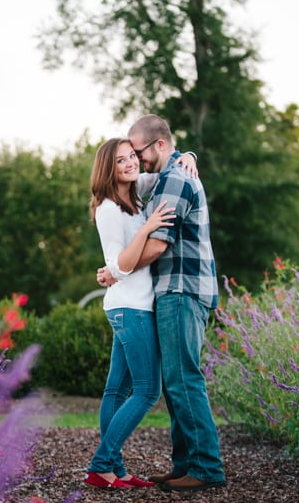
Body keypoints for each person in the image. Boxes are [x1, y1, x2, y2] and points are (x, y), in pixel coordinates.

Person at [97, 114, 226, 492]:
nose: (135, 159)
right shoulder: (165, 175)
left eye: (137, 151)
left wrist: (115, 271)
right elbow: (126, 181)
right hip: (175, 289)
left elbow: (156, 244)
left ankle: (206, 467)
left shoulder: (174, 177)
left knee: (182, 378)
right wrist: (189, 152)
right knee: (173, 382)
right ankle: (186, 463)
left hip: (181, 289)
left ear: (158, 146)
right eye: (127, 155)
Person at [83, 137, 196, 490]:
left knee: (116, 391)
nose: (131, 163)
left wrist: (189, 156)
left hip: (128, 304)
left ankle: (113, 469)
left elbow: (166, 165)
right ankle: (102, 464)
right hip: (130, 307)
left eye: (132, 156)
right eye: (121, 160)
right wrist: (147, 229)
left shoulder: (133, 197)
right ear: (108, 168)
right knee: (147, 391)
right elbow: (122, 263)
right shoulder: (109, 208)